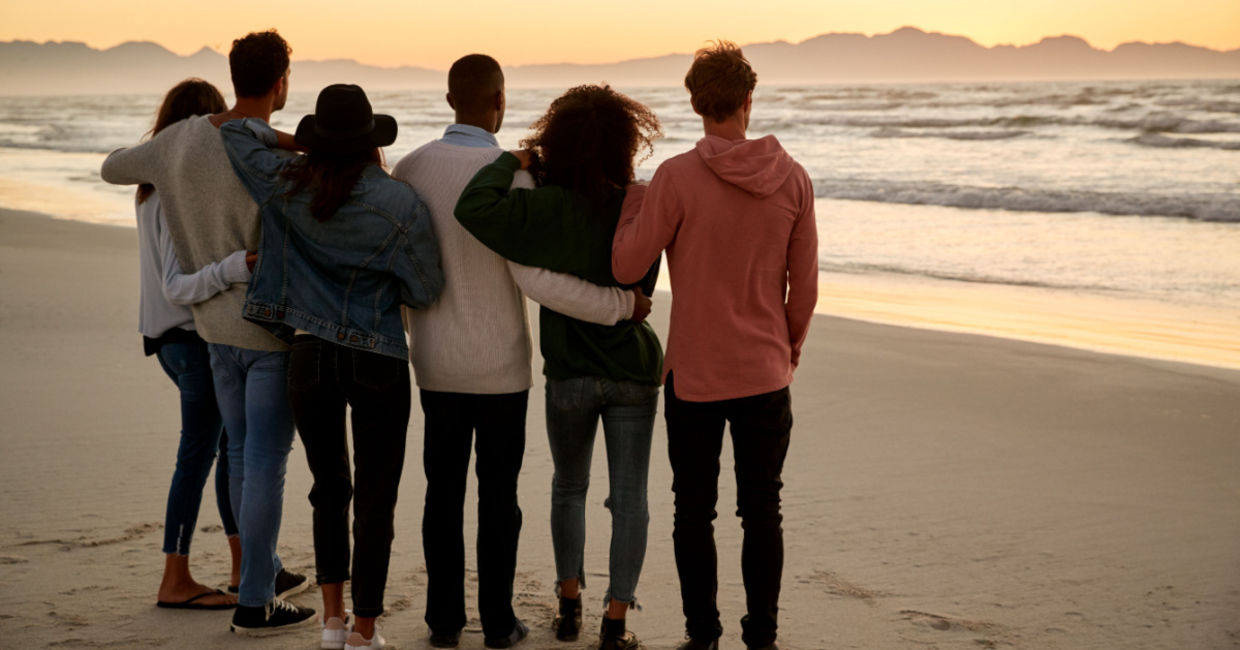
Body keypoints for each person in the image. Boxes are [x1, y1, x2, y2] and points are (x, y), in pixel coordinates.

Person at [389, 55, 645, 650]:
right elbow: (534, 279)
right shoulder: (516, 176)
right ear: (499, 101)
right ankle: (499, 624)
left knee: (441, 493)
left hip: (434, 361)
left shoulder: (411, 167)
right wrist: (618, 305)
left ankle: (444, 622)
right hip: (501, 365)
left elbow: (401, 267)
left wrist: (416, 331)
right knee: (497, 498)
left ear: (451, 98)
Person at [101, 29, 314, 634]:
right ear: (280, 84)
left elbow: (113, 166)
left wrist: (172, 150)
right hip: (268, 330)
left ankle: (256, 582)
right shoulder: (275, 157)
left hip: (213, 331)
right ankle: (255, 599)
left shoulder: (179, 142)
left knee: (241, 455)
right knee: (262, 461)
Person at [610, 42, 818, 650]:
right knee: (762, 511)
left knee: (692, 512)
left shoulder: (673, 179)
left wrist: (634, 204)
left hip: (695, 376)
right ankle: (763, 636)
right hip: (764, 371)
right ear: (749, 100)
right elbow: (802, 288)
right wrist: (789, 347)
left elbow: (626, 267)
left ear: (697, 103)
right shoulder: (794, 178)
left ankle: (702, 636)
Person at [220, 82, 443, 650]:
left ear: (319, 139)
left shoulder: (286, 183)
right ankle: (366, 631)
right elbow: (425, 287)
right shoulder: (399, 202)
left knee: (329, 489)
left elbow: (236, 130)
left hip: (308, 353)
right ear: (372, 141)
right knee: (375, 496)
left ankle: (333, 621)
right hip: (377, 357)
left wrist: (301, 144)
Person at [454, 83, 664, 650]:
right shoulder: (636, 203)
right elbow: (643, 287)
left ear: (557, 141)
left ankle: (569, 604)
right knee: (630, 499)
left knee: (568, 486)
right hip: (633, 371)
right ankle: (615, 622)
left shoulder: (541, 209)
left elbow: (474, 207)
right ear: (624, 141)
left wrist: (512, 161)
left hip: (569, 369)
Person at [134, 78, 246, 611]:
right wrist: (235, 266)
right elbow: (178, 284)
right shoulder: (175, 192)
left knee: (216, 450)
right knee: (200, 454)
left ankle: (245, 564)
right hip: (188, 336)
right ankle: (176, 579)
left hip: (167, 337)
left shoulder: (151, 184)